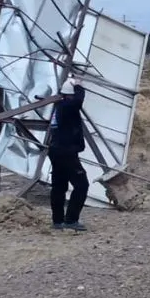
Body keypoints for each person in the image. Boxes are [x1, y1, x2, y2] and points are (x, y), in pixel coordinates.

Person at [48, 76, 90, 231]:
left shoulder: (59, 107)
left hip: (56, 150)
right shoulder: (67, 107)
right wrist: (79, 86)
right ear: (69, 95)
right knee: (82, 185)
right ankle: (71, 220)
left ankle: (57, 221)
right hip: (66, 152)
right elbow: (78, 101)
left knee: (59, 186)